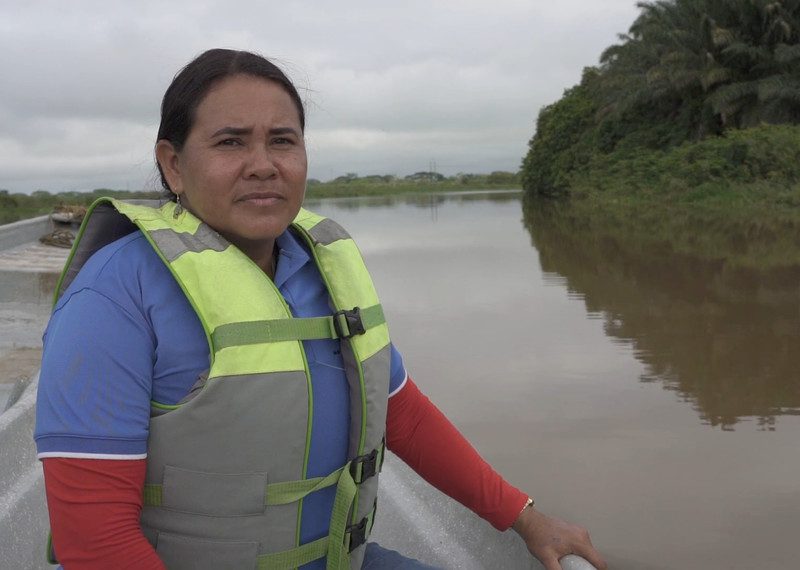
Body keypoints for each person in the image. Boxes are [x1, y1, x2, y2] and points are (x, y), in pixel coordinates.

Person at [34, 48, 606, 570]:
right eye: (231, 142)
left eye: (282, 141)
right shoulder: (113, 298)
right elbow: (95, 541)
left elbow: (401, 413)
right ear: (174, 165)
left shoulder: (322, 268)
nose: (263, 164)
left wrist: (526, 517)